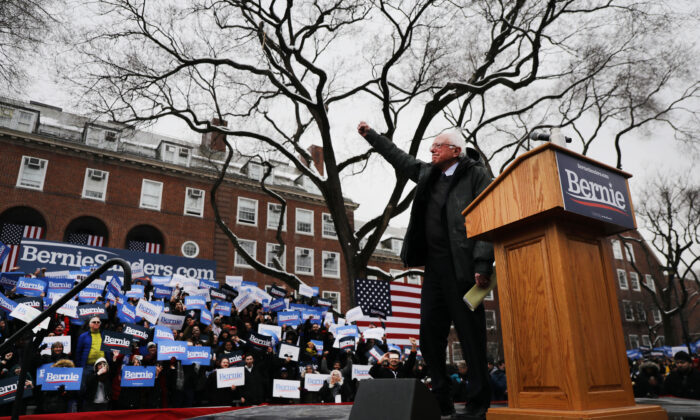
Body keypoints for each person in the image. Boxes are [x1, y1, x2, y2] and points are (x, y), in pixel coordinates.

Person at [357, 122, 494, 417]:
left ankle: (477, 402)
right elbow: (399, 158)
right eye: (432, 146)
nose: (431, 149)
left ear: (455, 151)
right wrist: (372, 136)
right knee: (430, 335)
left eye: (438, 146)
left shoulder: (476, 175)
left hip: (465, 270)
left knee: (471, 337)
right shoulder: (428, 174)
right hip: (434, 271)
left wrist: (483, 263)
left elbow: (487, 220)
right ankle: (441, 397)